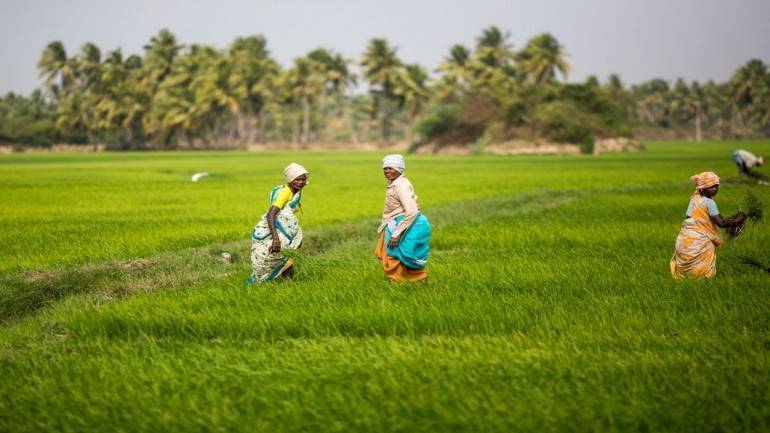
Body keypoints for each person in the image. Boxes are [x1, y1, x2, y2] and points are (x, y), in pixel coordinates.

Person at [670, 172, 745, 279]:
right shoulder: (709, 202)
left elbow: (691, 220)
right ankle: (702, 279)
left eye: (716, 186)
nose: (714, 189)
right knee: (702, 276)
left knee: (685, 275)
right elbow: (721, 223)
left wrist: (733, 219)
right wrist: (739, 219)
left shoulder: (694, 200)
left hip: (684, 240)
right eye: (711, 187)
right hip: (700, 240)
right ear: (702, 188)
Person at [248, 163, 309, 284]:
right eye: (297, 179)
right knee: (268, 259)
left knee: (286, 257)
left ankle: (288, 285)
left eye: (303, 179)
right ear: (291, 180)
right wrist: (276, 239)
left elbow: (286, 211)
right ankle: (258, 284)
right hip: (274, 230)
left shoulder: (295, 190)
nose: (301, 182)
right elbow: (271, 213)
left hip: (282, 229)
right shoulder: (285, 192)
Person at [374, 154, 431, 282]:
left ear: (399, 169)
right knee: (400, 254)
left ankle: (397, 281)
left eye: (391, 168)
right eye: (385, 168)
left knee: (396, 254)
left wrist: (397, 233)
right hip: (399, 222)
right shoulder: (394, 183)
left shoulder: (401, 186)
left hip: (405, 224)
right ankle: (412, 280)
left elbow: (412, 211)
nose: (387, 171)